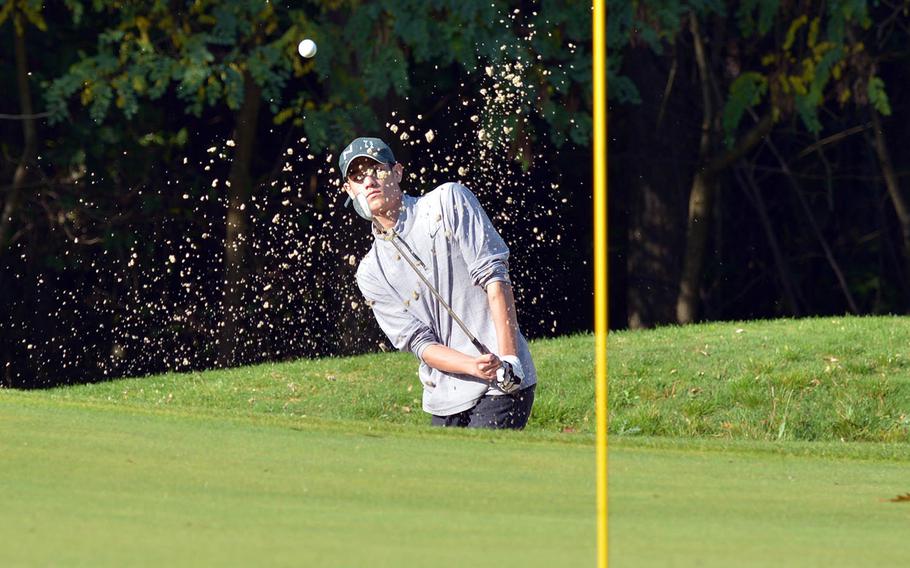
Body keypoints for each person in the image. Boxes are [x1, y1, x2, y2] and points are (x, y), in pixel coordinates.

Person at [338, 136, 537, 429]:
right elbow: (419, 343)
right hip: (444, 398)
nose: (368, 181)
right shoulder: (369, 271)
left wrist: (510, 361)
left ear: (398, 172)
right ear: (349, 190)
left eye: (377, 169)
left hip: (502, 382)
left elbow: (495, 278)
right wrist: (471, 366)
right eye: (357, 176)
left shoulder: (446, 201)